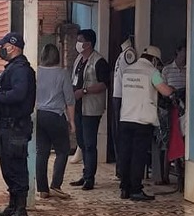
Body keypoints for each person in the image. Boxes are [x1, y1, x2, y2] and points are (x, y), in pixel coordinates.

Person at [0, 31, 37, 216]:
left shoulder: (21, 70)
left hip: (16, 126)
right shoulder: (14, 68)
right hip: (8, 125)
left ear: (13, 47)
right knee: (8, 167)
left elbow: (18, 94)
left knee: (16, 167)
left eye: (4, 45)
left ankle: (21, 210)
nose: (1, 48)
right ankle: (12, 205)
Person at [119, 45, 175, 201]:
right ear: (155, 60)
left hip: (125, 118)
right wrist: (173, 89)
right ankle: (136, 189)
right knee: (138, 156)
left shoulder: (128, 70)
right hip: (142, 121)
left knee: (126, 155)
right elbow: (165, 91)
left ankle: (125, 188)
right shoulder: (152, 72)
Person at [69, 29, 110, 191]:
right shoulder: (79, 59)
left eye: (80, 40)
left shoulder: (99, 61)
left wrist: (84, 91)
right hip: (78, 107)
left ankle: (90, 178)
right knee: (81, 142)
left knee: (89, 143)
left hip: (91, 109)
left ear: (88, 44)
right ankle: (85, 173)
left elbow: (104, 84)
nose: (77, 43)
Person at [35, 43, 75, 200]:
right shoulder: (62, 74)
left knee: (41, 151)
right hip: (55, 116)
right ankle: (56, 185)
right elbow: (69, 100)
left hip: (39, 115)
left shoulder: (36, 72)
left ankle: (42, 189)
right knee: (63, 150)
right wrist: (72, 121)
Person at [112, 36, 137, 178]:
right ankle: (121, 167)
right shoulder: (128, 54)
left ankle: (121, 167)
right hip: (122, 97)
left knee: (120, 134)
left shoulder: (127, 53)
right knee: (120, 134)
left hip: (121, 96)